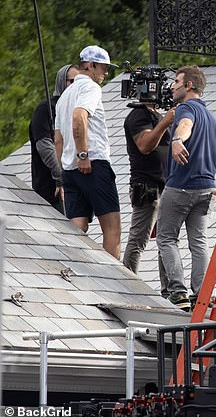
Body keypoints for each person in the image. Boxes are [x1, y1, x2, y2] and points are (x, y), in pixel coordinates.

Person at [156, 66, 216, 312]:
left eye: (176, 81)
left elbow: (184, 124)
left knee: (166, 237)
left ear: (189, 85)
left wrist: (176, 140)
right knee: (199, 241)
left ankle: (178, 292)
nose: (172, 86)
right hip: (206, 188)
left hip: (181, 186)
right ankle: (202, 293)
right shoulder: (213, 120)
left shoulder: (186, 108)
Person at [54, 45, 121, 259]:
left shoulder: (64, 95)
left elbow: (58, 139)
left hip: (69, 170)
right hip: (92, 164)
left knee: (76, 229)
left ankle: (73, 273)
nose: (106, 73)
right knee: (112, 229)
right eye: (103, 67)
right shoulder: (91, 88)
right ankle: (114, 284)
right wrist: (83, 155)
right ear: (91, 65)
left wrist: (63, 171)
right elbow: (79, 117)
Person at [122, 101, 174, 297]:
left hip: (165, 185)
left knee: (166, 240)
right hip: (147, 186)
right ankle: (129, 286)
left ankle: (169, 290)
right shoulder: (138, 115)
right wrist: (165, 122)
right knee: (138, 239)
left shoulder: (156, 114)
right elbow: (144, 145)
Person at [30, 64, 79, 214]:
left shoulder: (78, 111)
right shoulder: (47, 109)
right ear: (62, 81)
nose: (76, 86)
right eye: (73, 81)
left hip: (75, 185)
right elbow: (45, 146)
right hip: (52, 190)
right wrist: (60, 177)